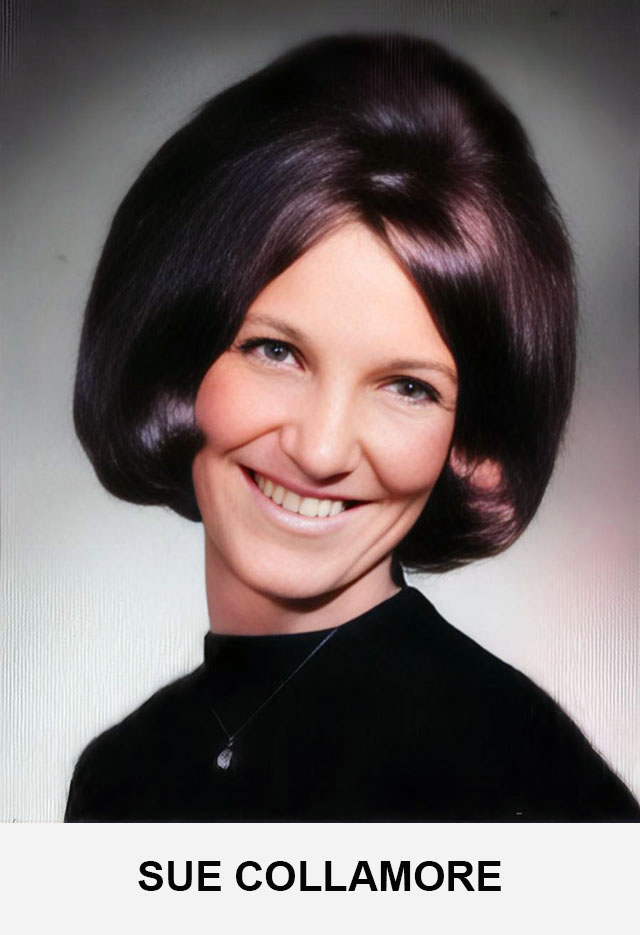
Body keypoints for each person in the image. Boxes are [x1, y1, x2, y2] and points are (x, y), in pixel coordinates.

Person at [64, 34, 639, 821]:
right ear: (175, 355)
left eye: (408, 387)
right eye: (276, 351)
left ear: (468, 438)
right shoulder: (120, 772)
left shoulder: (521, 773)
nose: (322, 449)